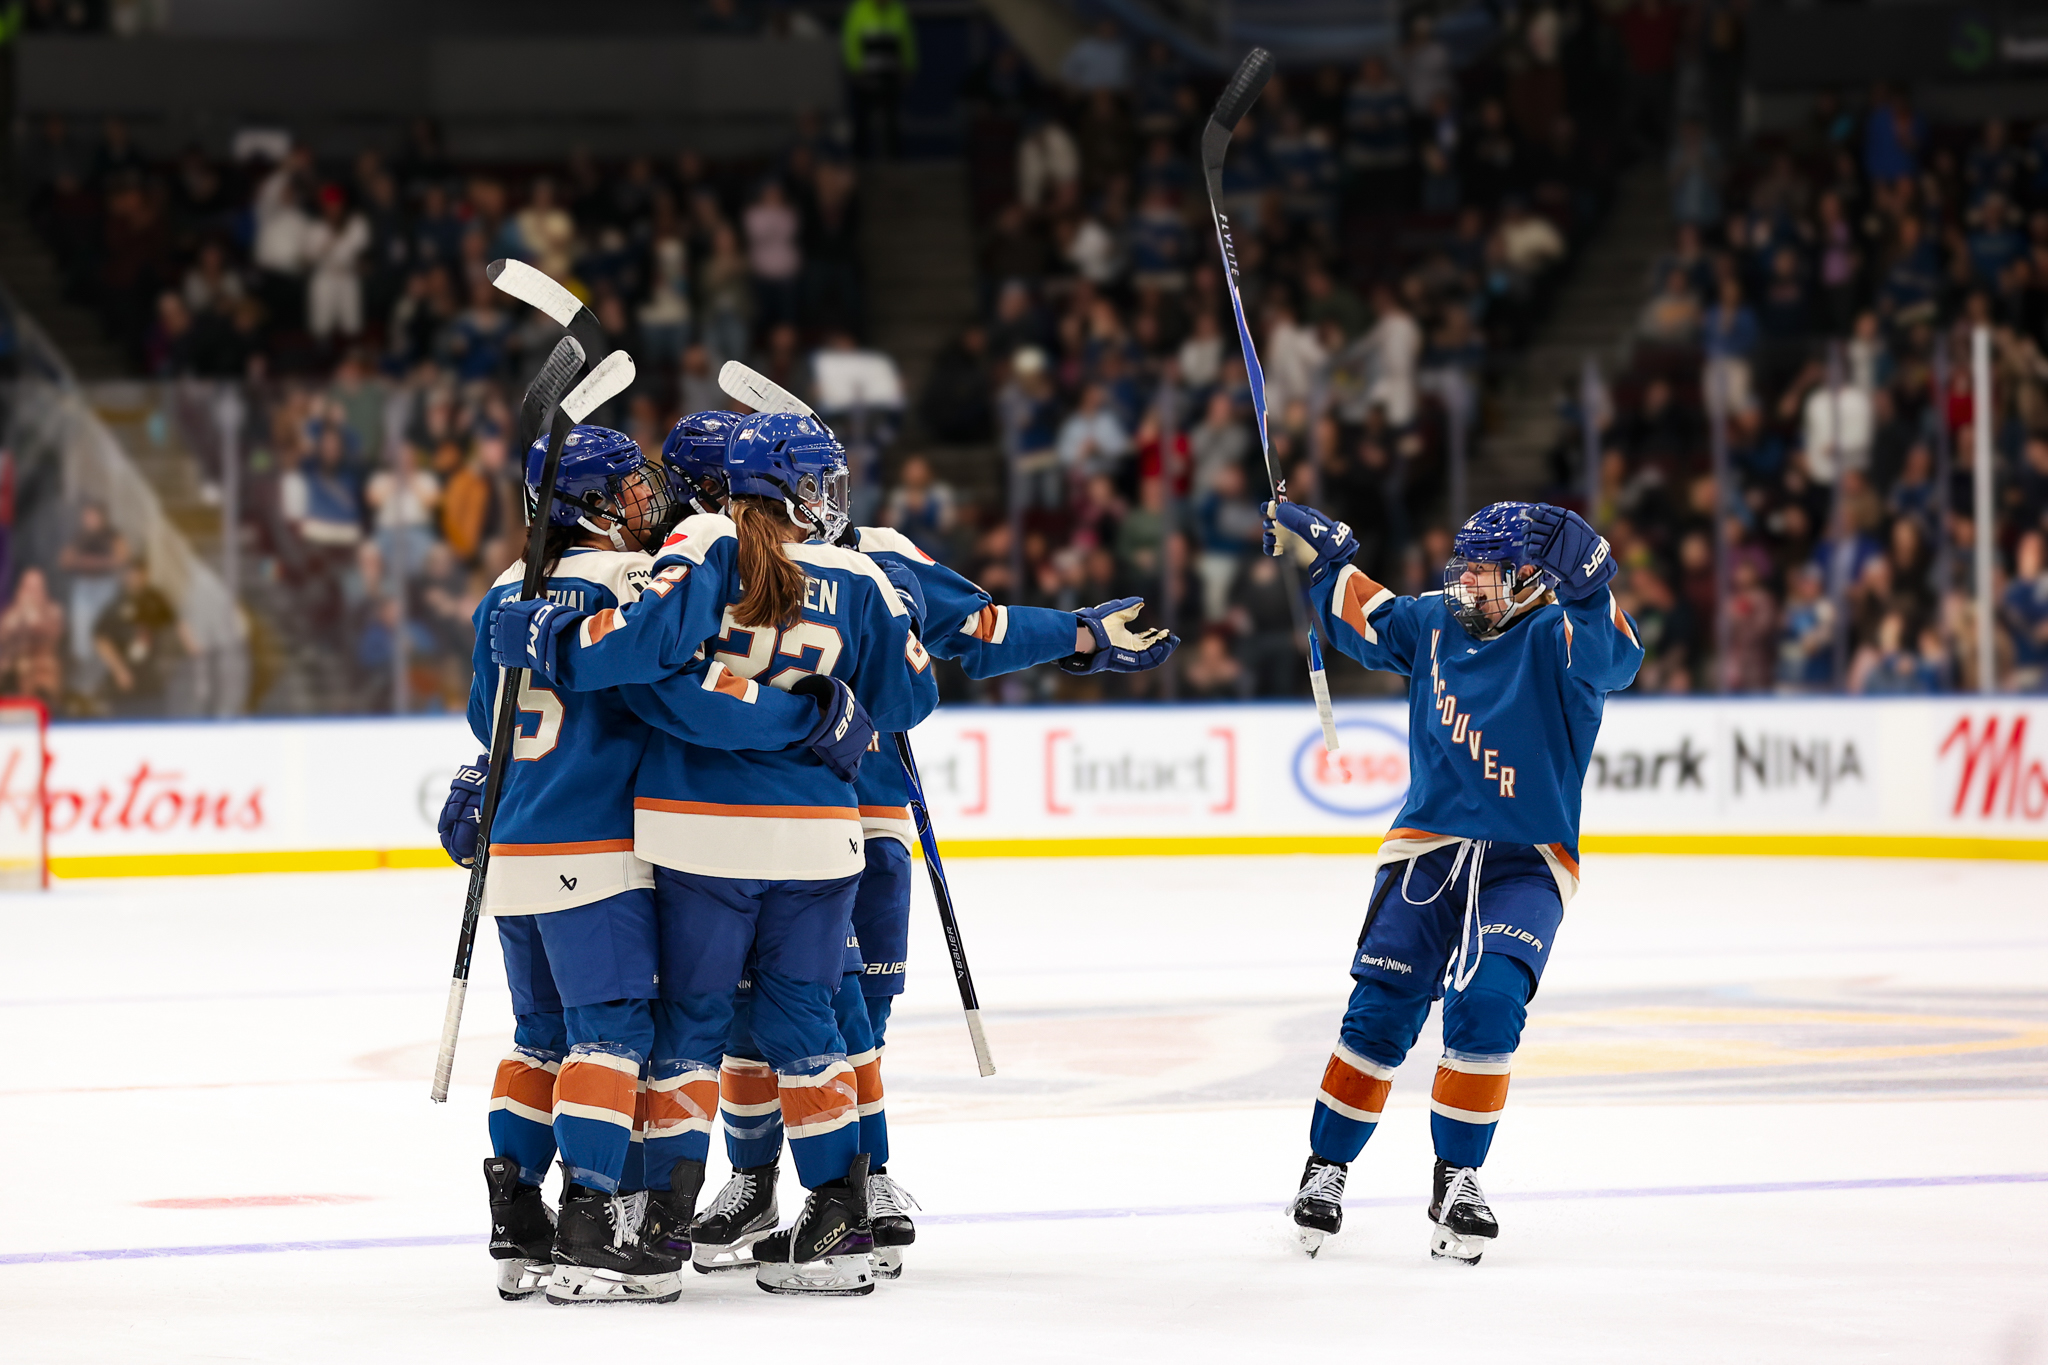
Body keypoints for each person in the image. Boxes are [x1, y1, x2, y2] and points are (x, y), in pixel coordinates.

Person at [657, 412, 1177, 1277]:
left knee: (840, 1012)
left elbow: (980, 627)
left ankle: (865, 1179)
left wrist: (1081, 634)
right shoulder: (700, 557)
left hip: (857, 822)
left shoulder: (864, 556)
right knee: (762, 1014)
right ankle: (760, 1188)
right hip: (757, 827)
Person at [491, 411, 938, 1296]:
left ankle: (659, 1227)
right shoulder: (861, 570)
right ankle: (843, 1216)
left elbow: (651, 673)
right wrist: (822, 710)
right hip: (822, 835)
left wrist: (550, 641)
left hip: (694, 833)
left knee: (685, 1032)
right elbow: (909, 698)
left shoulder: (693, 549)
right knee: (808, 1026)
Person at [1262, 496, 1641, 1263]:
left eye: (1488, 571)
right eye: (1463, 566)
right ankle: (1325, 1168)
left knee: (1491, 1004)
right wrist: (1323, 551)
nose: (1470, 583)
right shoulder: (1434, 620)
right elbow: (1364, 617)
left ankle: (1459, 1177)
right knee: (1379, 1013)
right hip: (1426, 852)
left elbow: (1619, 659)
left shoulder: (1562, 634)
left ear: (1534, 579)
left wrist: (1595, 588)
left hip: (1525, 862)